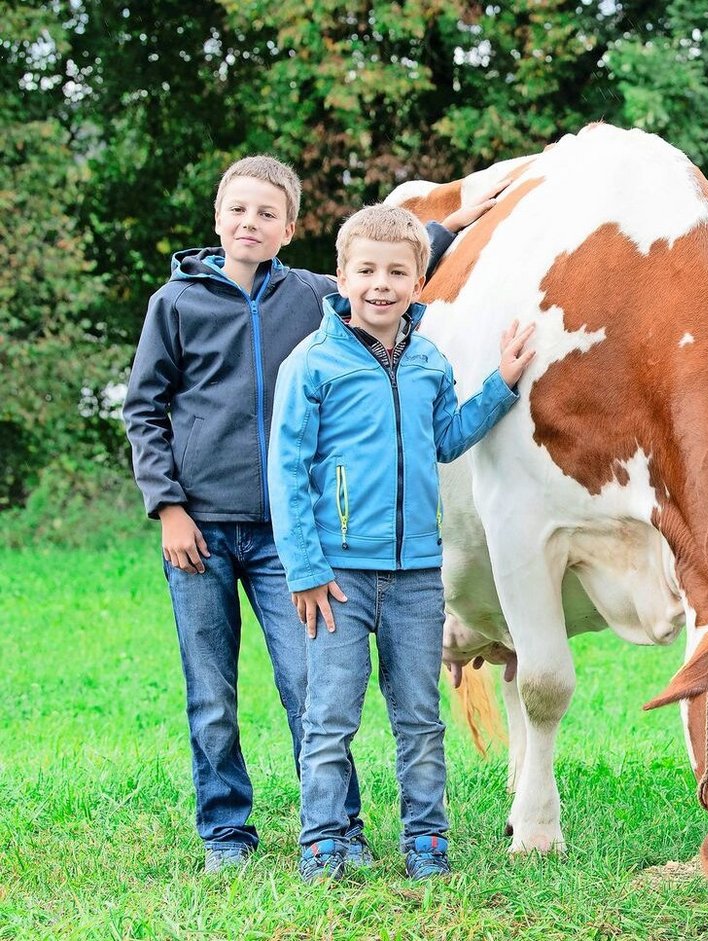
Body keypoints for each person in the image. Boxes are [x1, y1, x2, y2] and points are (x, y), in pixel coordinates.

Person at [122, 156, 495, 874]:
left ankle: (340, 830)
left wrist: (468, 210)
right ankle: (226, 832)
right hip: (198, 528)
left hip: (292, 542)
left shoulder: (315, 295)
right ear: (217, 218)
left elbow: (387, 261)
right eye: (238, 210)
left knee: (312, 688)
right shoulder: (176, 303)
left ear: (290, 228)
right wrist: (168, 505)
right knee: (212, 696)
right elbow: (144, 409)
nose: (250, 223)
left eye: (267, 214)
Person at [268, 204, 535, 882]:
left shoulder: (429, 363)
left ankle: (426, 842)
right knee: (329, 717)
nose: (380, 284)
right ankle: (323, 841)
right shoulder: (312, 364)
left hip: (418, 573)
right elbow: (287, 471)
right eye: (366, 270)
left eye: (397, 272)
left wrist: (501, 385)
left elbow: (447, 438)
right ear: (340, 277)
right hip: (336, 579)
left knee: (419, 718)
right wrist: (303, 567)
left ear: (420, 283)